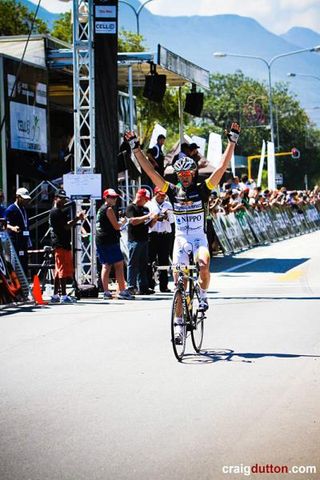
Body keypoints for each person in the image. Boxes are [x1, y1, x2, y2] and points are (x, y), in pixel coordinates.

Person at [125, 123, 240, 343]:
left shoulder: (203, 188)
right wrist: (135, 149)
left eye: (188, 173)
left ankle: (203, 295)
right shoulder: (172, 191)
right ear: (178, 175)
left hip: (199, 239)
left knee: (204, 265)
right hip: (180, 240)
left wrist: (232, 141)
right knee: (178, 282)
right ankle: (179, 326)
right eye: (181, 174)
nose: (185, 177)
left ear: (193, 174)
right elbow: (150, 172)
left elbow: (222, 167)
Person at [96, 188, 134, 300]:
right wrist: (123, 222)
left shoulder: (102, 209)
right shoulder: (108, 209)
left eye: (115, 197)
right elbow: (116, 226)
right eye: (112, 197)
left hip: (103, 239)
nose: (114, 199)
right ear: (106, 197)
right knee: (114, 264)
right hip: (108, 240)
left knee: (109, 264)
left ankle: (108, 291)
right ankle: (121, 291)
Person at [49, 189, 85, 304]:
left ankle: (55, 295)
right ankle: (63, 295)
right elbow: (66, 226)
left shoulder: (58, 211)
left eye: (64, 198)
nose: (64, 200)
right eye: (61, 198)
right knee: (62, 271)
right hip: (60, 244)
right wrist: (77, 218)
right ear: (55, 198)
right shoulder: (55, 212)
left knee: (59, 270)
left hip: (61, 243)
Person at [126, 188, 158, 295]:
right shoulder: (131, 207)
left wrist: (154, 219)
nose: (146, 202)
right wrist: (148, 216)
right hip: (134, 239)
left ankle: (143, 287)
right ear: (140, 197)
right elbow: (133, 221)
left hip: (144, 239)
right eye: (145, 199)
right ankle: (131, 286)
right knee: (133, 264)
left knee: (143, 265)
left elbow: (149, 225)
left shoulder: (145, 209)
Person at [147, 187, 174, 292]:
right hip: (153, 234)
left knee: (164, 260)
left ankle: (164, 285)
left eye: (164, 195)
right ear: (155, 194)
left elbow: (172, 220)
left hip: (164, 234)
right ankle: (150, 284)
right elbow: (149, 219)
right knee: (150, 259)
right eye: (160, 195)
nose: (162, 197)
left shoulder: (168, 205)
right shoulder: (149, 204)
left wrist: (166, 216)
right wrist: (157, 217)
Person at [5, 187, 32, 276]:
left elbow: (26, 225)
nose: (26, 201)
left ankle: (24, 286)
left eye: (27, 199)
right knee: (15, 265)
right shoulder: (10, 209)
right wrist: (12, 227)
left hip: (23, 242)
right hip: (14, 243)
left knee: (24, 264)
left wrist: (29, 242)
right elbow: (4, 224)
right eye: (24, 199)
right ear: (18, 197)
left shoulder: (24, 209)